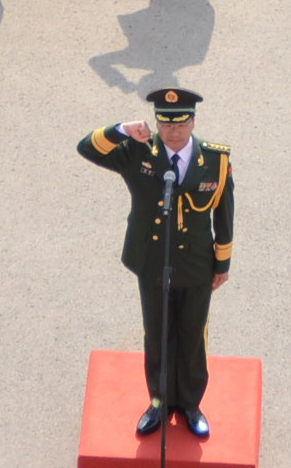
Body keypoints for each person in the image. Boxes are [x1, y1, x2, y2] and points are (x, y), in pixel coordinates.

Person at [77, 87, 231, 442]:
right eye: (165, 123)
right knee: (158, 333)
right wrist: (120, 130)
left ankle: (191, 405)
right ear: (158, 123)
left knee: (192, 335)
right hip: (152, 260)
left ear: (193, 120)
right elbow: (86, 149)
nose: (173, 131)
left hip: (196, 263)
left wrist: (222, 261)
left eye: (180, 123)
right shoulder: (137, 153)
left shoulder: (216, 159)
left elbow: (224, 212)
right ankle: (158, 404)